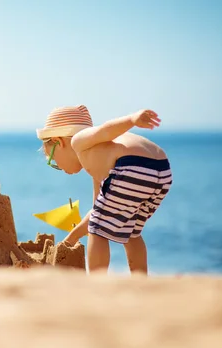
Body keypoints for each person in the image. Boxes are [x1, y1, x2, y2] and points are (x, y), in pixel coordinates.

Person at [36, 105, 172, 275]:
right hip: (162, 171)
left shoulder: (78, 141)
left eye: (53, 159)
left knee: (97, 231)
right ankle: (140, 279)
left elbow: (106, 130)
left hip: (132, 165)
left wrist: (132, 119)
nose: (58, 166)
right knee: (132, 232)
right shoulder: (100, 162)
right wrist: (72, 237)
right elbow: (96, 210)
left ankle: (97, 280)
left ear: (59, 142)